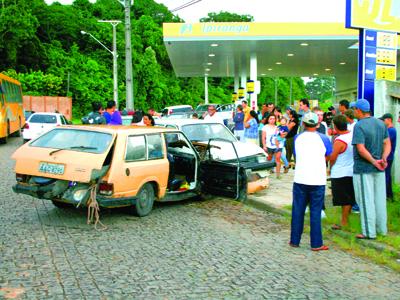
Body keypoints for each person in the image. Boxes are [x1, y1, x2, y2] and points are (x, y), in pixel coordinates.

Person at [289, 111, 332, 251]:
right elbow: (328, 155)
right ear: (317, 124)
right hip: (317, 179)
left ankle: (294, 240)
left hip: (300, 178)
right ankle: (316, 243)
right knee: (315, 211)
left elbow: (296, 154)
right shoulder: (324, 138)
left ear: (303, 123)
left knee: (298, 210)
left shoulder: (297, 138)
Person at [352, 99, 391, 240]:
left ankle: (369, 232)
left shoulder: (359, 126)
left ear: (359, 110)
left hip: (364, 168)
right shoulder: (381, 123)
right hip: (380, 167)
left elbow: (361, 149)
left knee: (365, 199)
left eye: (354, 109)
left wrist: (374, 161)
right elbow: (387, 143)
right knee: (379, 200)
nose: (353, 111)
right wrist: (384, 158)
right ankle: (382, 229)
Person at [329, 115, 356, 230]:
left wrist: (330, 167)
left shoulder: (339, 141)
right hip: (351, 170)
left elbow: (333, 157)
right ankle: (346, 220)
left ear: (335, 126)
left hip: (340, 172)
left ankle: (344, 222)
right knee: (349, 197)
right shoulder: (352, 135)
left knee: (344, 199)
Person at [380, 113, 397, 200]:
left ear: (389, 120)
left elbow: (384, 142)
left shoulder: (391, 130)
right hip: (388, 156)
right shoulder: (389, 130)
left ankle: (384, 196)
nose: (383, 122)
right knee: (388, 176)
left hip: (388, 156)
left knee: (385, 176)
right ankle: (389, 195)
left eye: (384, 120)